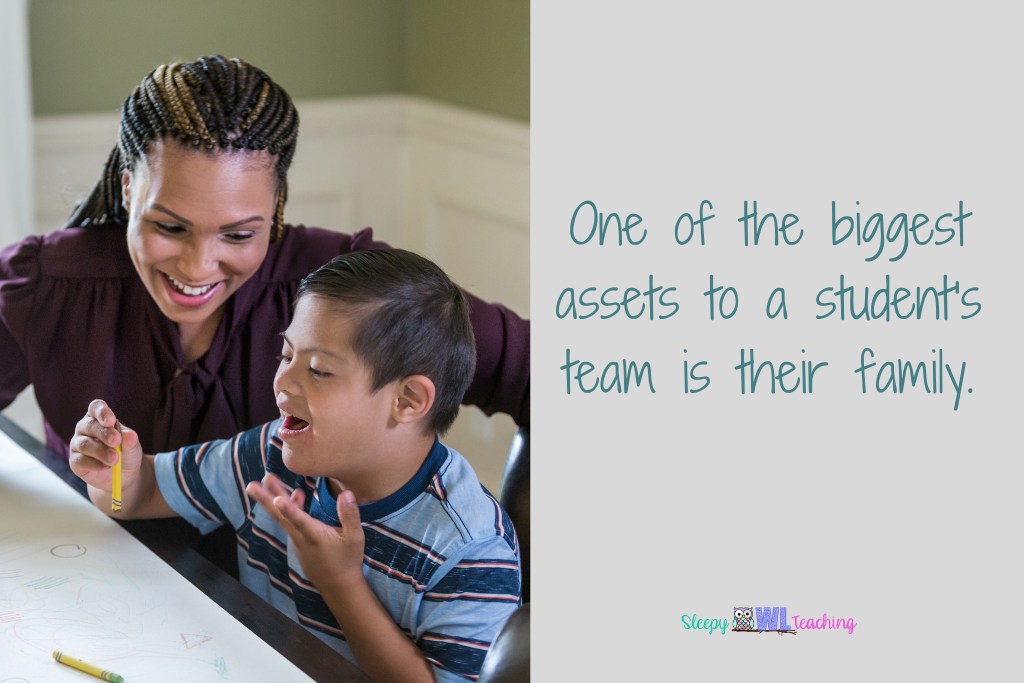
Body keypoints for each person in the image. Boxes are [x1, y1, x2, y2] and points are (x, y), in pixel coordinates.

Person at [0, 56, 528, 572]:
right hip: (88, 576)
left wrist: (522, 576)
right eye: (170, 227)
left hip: (291, 625)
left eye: (239, 234)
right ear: (127, 189)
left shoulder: (352, 294)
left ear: (276, 207)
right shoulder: (44, 282)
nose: (198, 265)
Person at [70, 249, 521, 683]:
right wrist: (116, 473)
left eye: (319, 370)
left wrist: (341, 584)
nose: (283, 381)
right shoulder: (271, 455)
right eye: (286, 355)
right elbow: (143, 493)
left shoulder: (471, 547)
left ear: (407, 400)